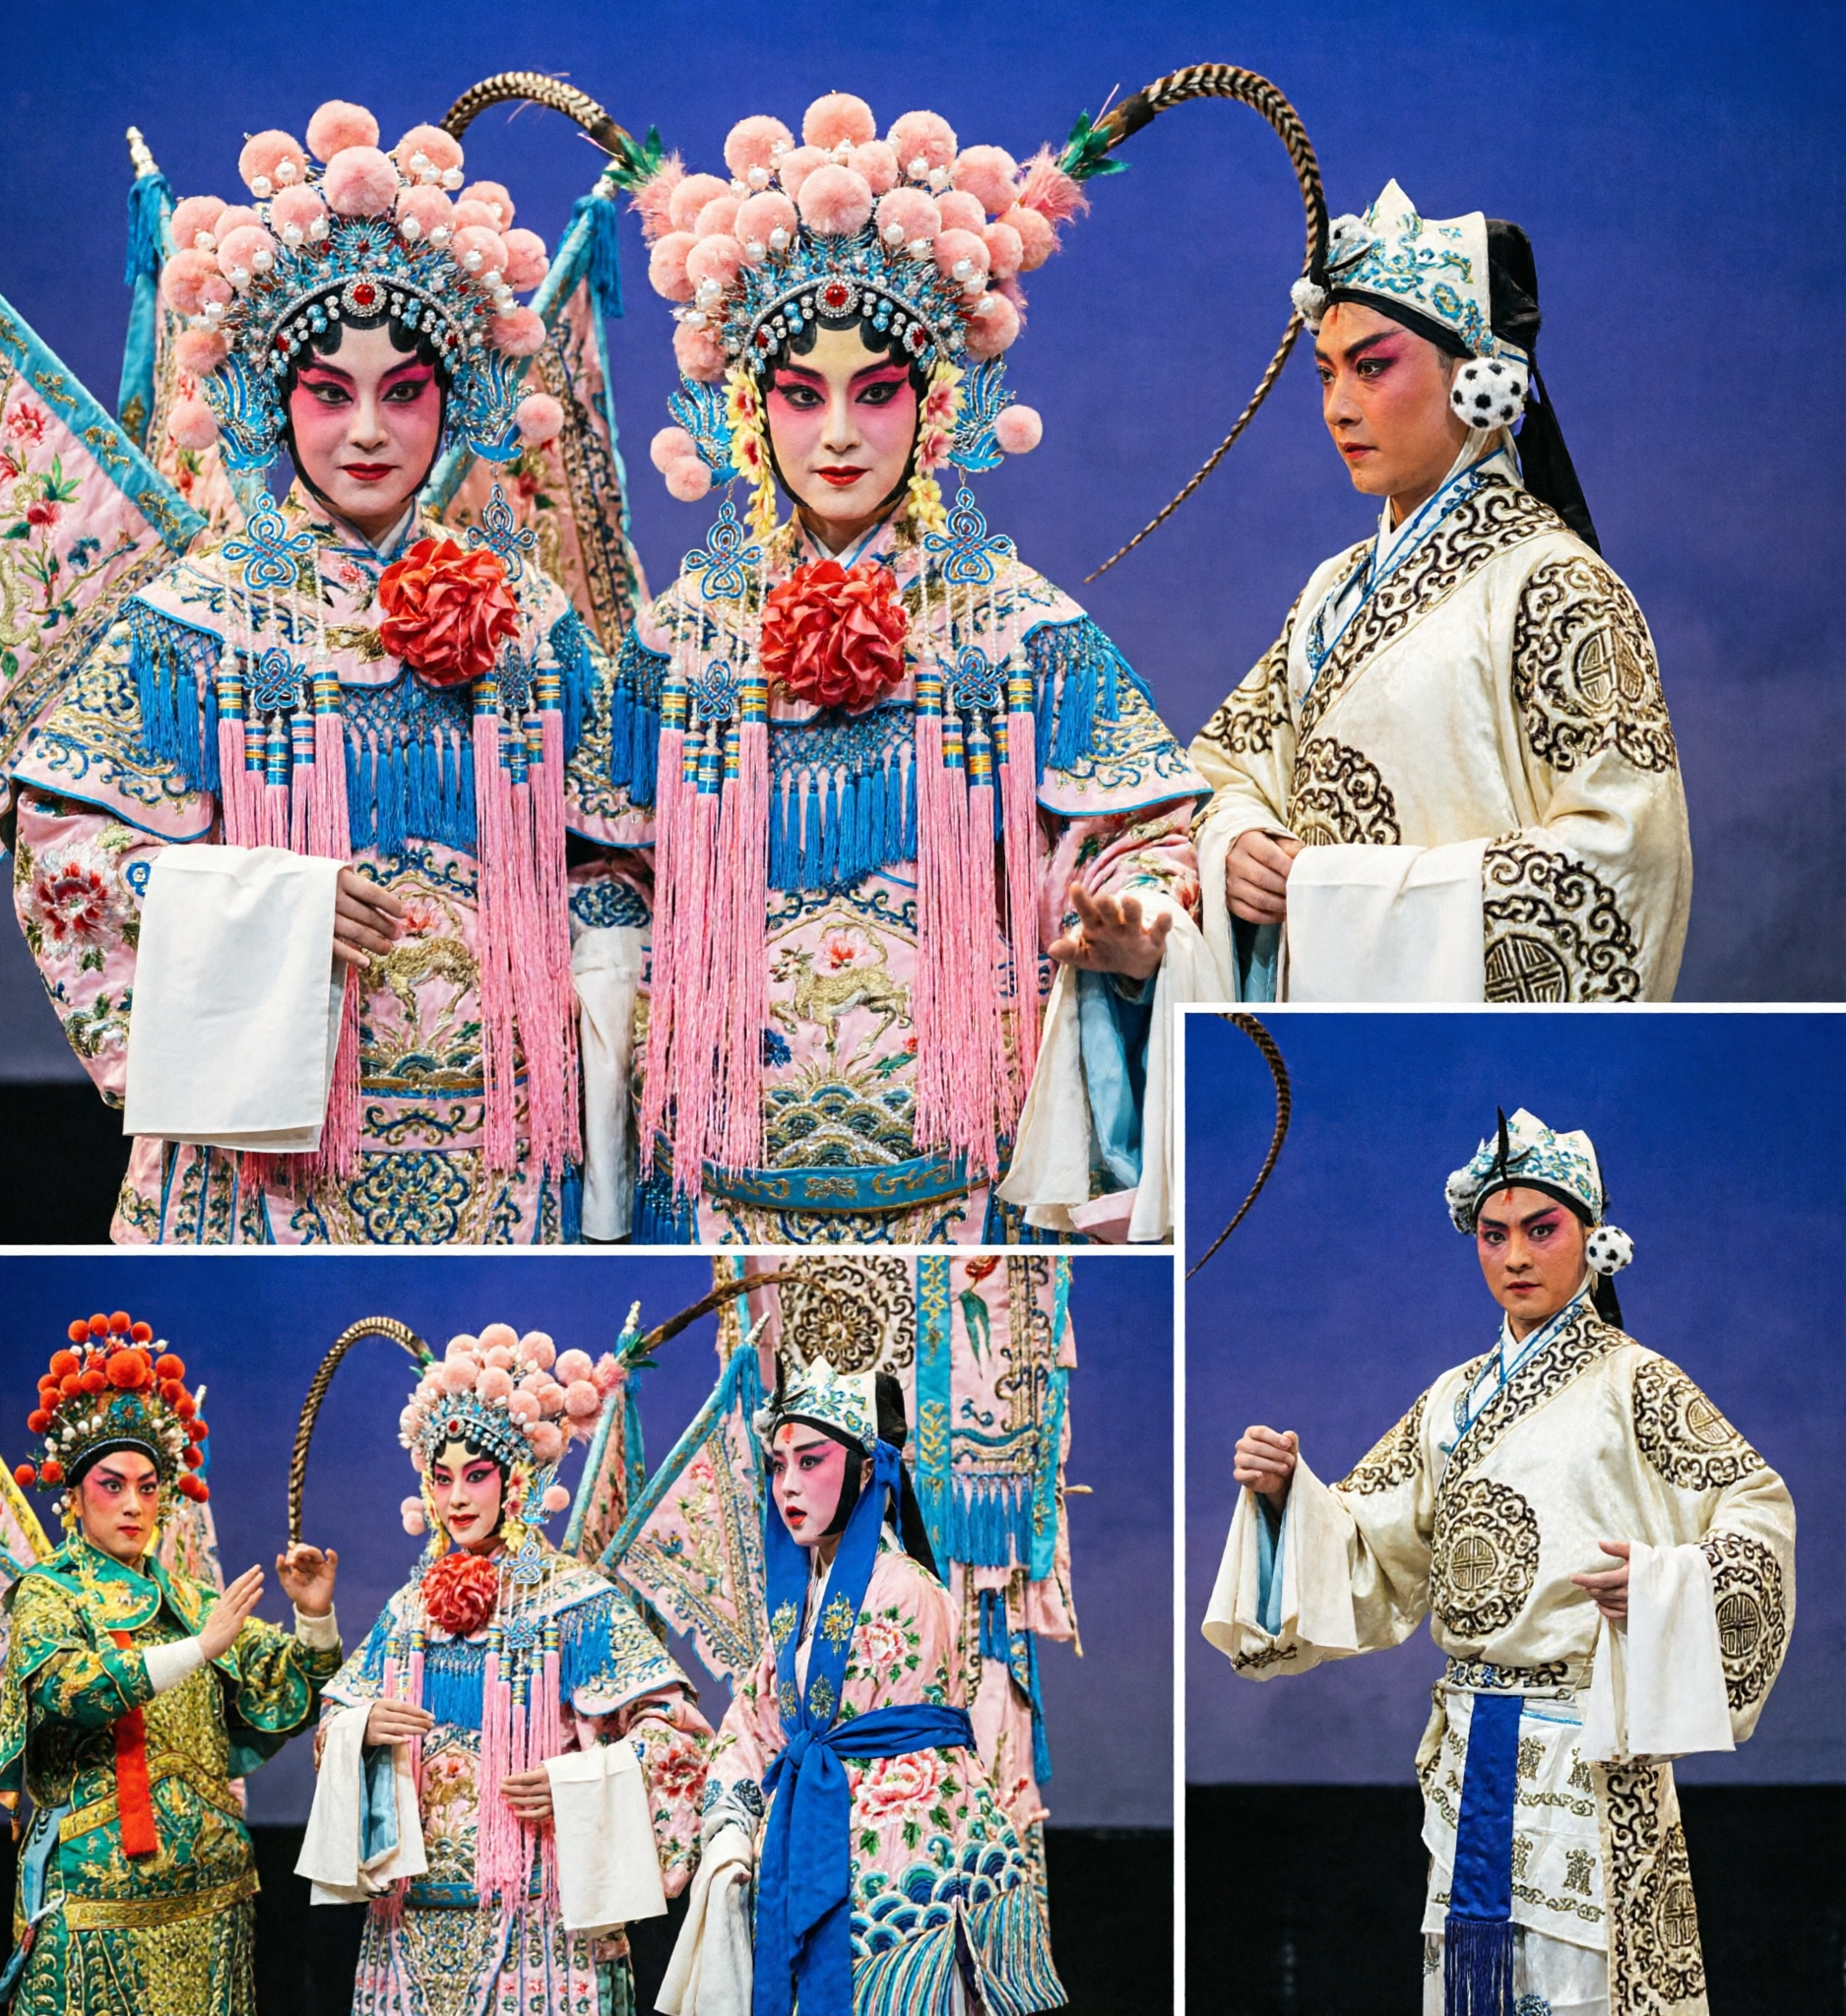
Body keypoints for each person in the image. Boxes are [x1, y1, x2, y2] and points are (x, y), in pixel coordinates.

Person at [577, 92, 1225, 1244]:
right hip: (722, 1184)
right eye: (800, 393)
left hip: (961, 1195)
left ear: (934, 406)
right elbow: (603, 869)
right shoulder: (677, 644)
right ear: (745, 405)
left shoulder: (1017, 633)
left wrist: (1144, 920)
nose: (835, 435)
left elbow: (1147, 831)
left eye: (873, 393)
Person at [9, 96, 611, 1242]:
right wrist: (273, 905)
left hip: (502, 1145)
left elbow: (620, 852)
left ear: (457, 399)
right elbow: (64, 848)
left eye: (403, 391)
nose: (368, 432)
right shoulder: (199, 620)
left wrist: (547, 939)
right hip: (265, 1168)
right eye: (330, 393)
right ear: (274, 402)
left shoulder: (530, 621)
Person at [1204, 1110, 1795, 2014]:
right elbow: (1368, 1538)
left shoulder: (1638, 1383)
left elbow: (1753, 1506)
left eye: (1541, 1229)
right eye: (1493, 1235)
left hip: (1589, 1748)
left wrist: (1664, 1584)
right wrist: (1291, 1498)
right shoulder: (1450, 1401)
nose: (1515, 1256)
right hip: (1476, 1746)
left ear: (1592, 1239)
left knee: (1584, 1989)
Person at [1189, 182, 1691, 1002]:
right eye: (1324, 375)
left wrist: (1324, 892)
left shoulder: (1556, 585)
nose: (1337, 408)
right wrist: (1235, 840)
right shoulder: (1329, 594)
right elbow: (1222, 773)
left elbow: (1625, 863)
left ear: (1480, 380)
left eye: (1372, 367)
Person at [301, 1322, 711, 2016]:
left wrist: (581, 1782)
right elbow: (332, 1727)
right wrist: (360, 1727)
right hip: (410, 1921)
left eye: (477, 1476)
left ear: (517, 1479)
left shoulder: (571, 1600)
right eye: (442, 1479)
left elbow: (678, 1736)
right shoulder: (408, 1611)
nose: (457, 1498)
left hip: (541, 1914)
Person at [662, 1357, 1062, 2015]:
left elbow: (901, 1741)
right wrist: (731, 1831)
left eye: (810, 1461)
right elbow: (752, 1724)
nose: (787, 1485)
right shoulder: (795, 1610)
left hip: (902, 1866)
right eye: (778, 1465)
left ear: (868, 1469)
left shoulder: (906, 1588)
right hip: (807, 1853)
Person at [0, 1313, 341, 2013]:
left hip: (214, 1896)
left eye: (149, 1487)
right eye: (112, 1485)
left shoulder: (188, 1598)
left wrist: (313, 1614)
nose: (133, 1505)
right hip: (97, 1898)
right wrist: (198, 1650)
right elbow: (71, 1689)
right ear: (73, 1492)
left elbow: (286, 1695)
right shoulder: (49, 1594)